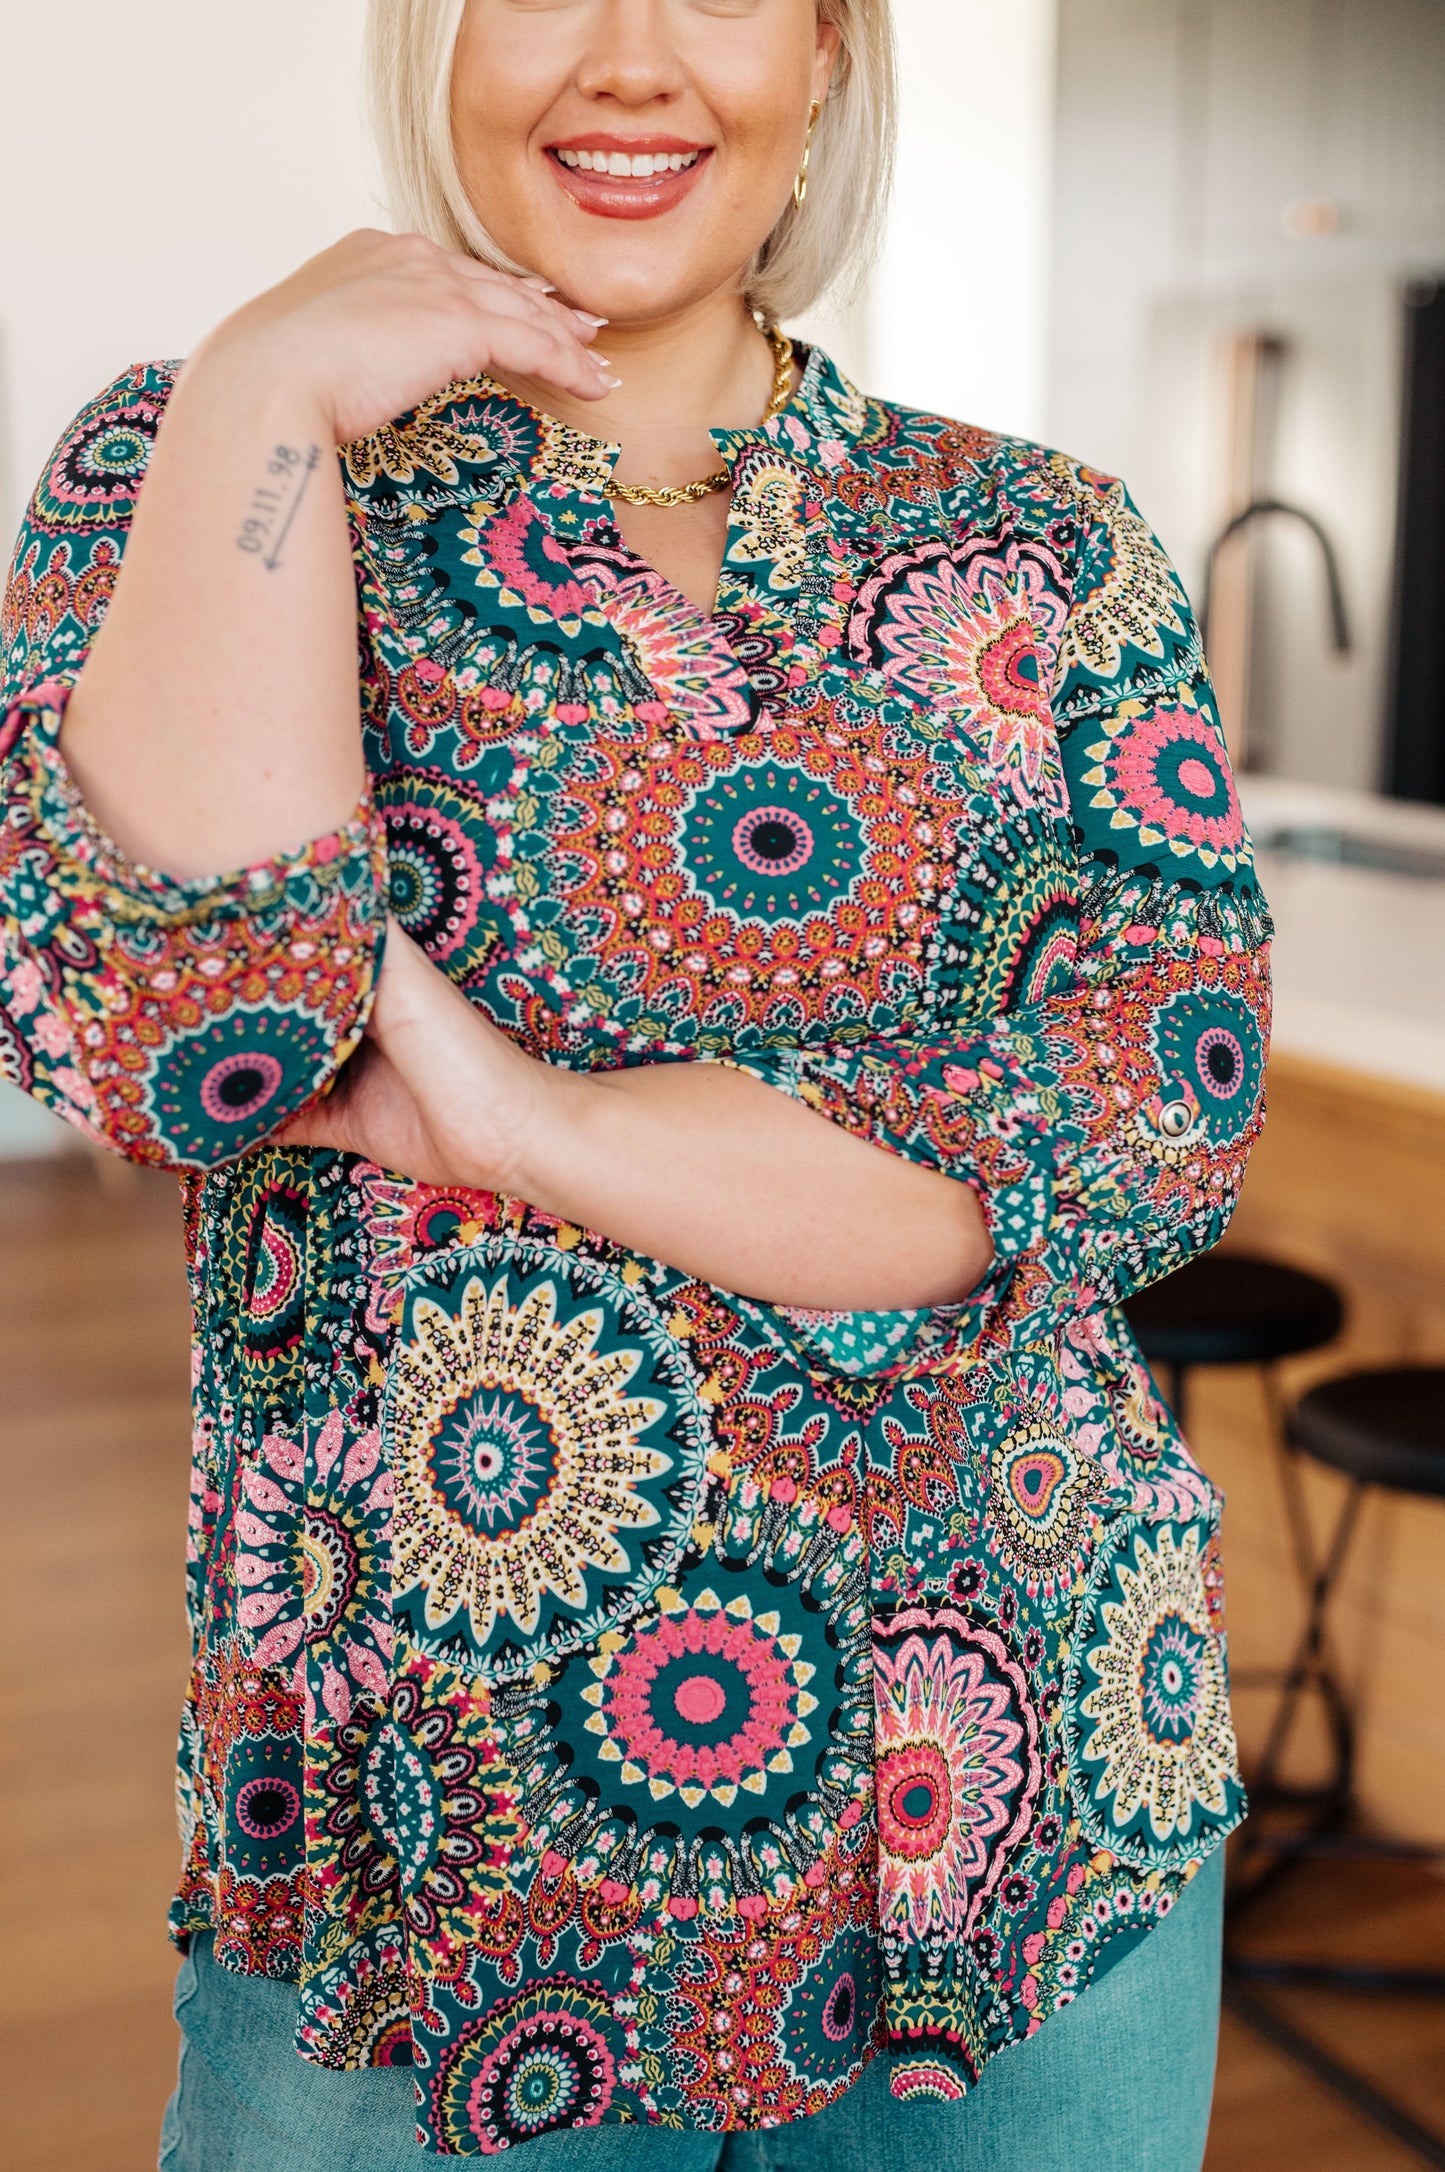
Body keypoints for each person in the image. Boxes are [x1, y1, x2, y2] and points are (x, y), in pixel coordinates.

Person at [0, 0, 1271, 2164]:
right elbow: (184, 1042)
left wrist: (529, 1129)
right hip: (425, 1850)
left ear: (829, 67)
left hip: (1023, 1793)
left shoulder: (1044, 537)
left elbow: (1155, 1107)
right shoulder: (201, 453)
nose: (627, 57)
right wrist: (269, 382)